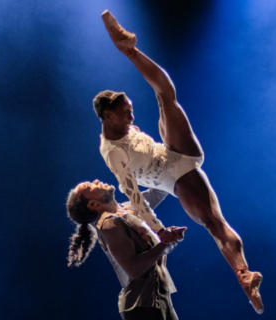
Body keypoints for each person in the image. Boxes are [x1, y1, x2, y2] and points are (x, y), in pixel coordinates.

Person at [93, 10, 263, 313]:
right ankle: (244, 277)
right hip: (171, 179)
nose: (132, 116)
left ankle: (129, 50)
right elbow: (134, 197)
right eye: (126, 112)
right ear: (107, 116)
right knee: (213, 222)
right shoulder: (112, 153)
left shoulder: (122, 128)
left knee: (166, 96)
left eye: (131, 109)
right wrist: (158, 231)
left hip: (172, 152)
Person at [67, 179, 186, 320]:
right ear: (93, 204)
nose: (96, 181)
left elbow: (160, 189)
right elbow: (133, 269)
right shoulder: (109, 224)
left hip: (160, 299)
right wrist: (166, 243)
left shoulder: (132, 207)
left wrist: (136, 171)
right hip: (142, 307)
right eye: (90, 186)